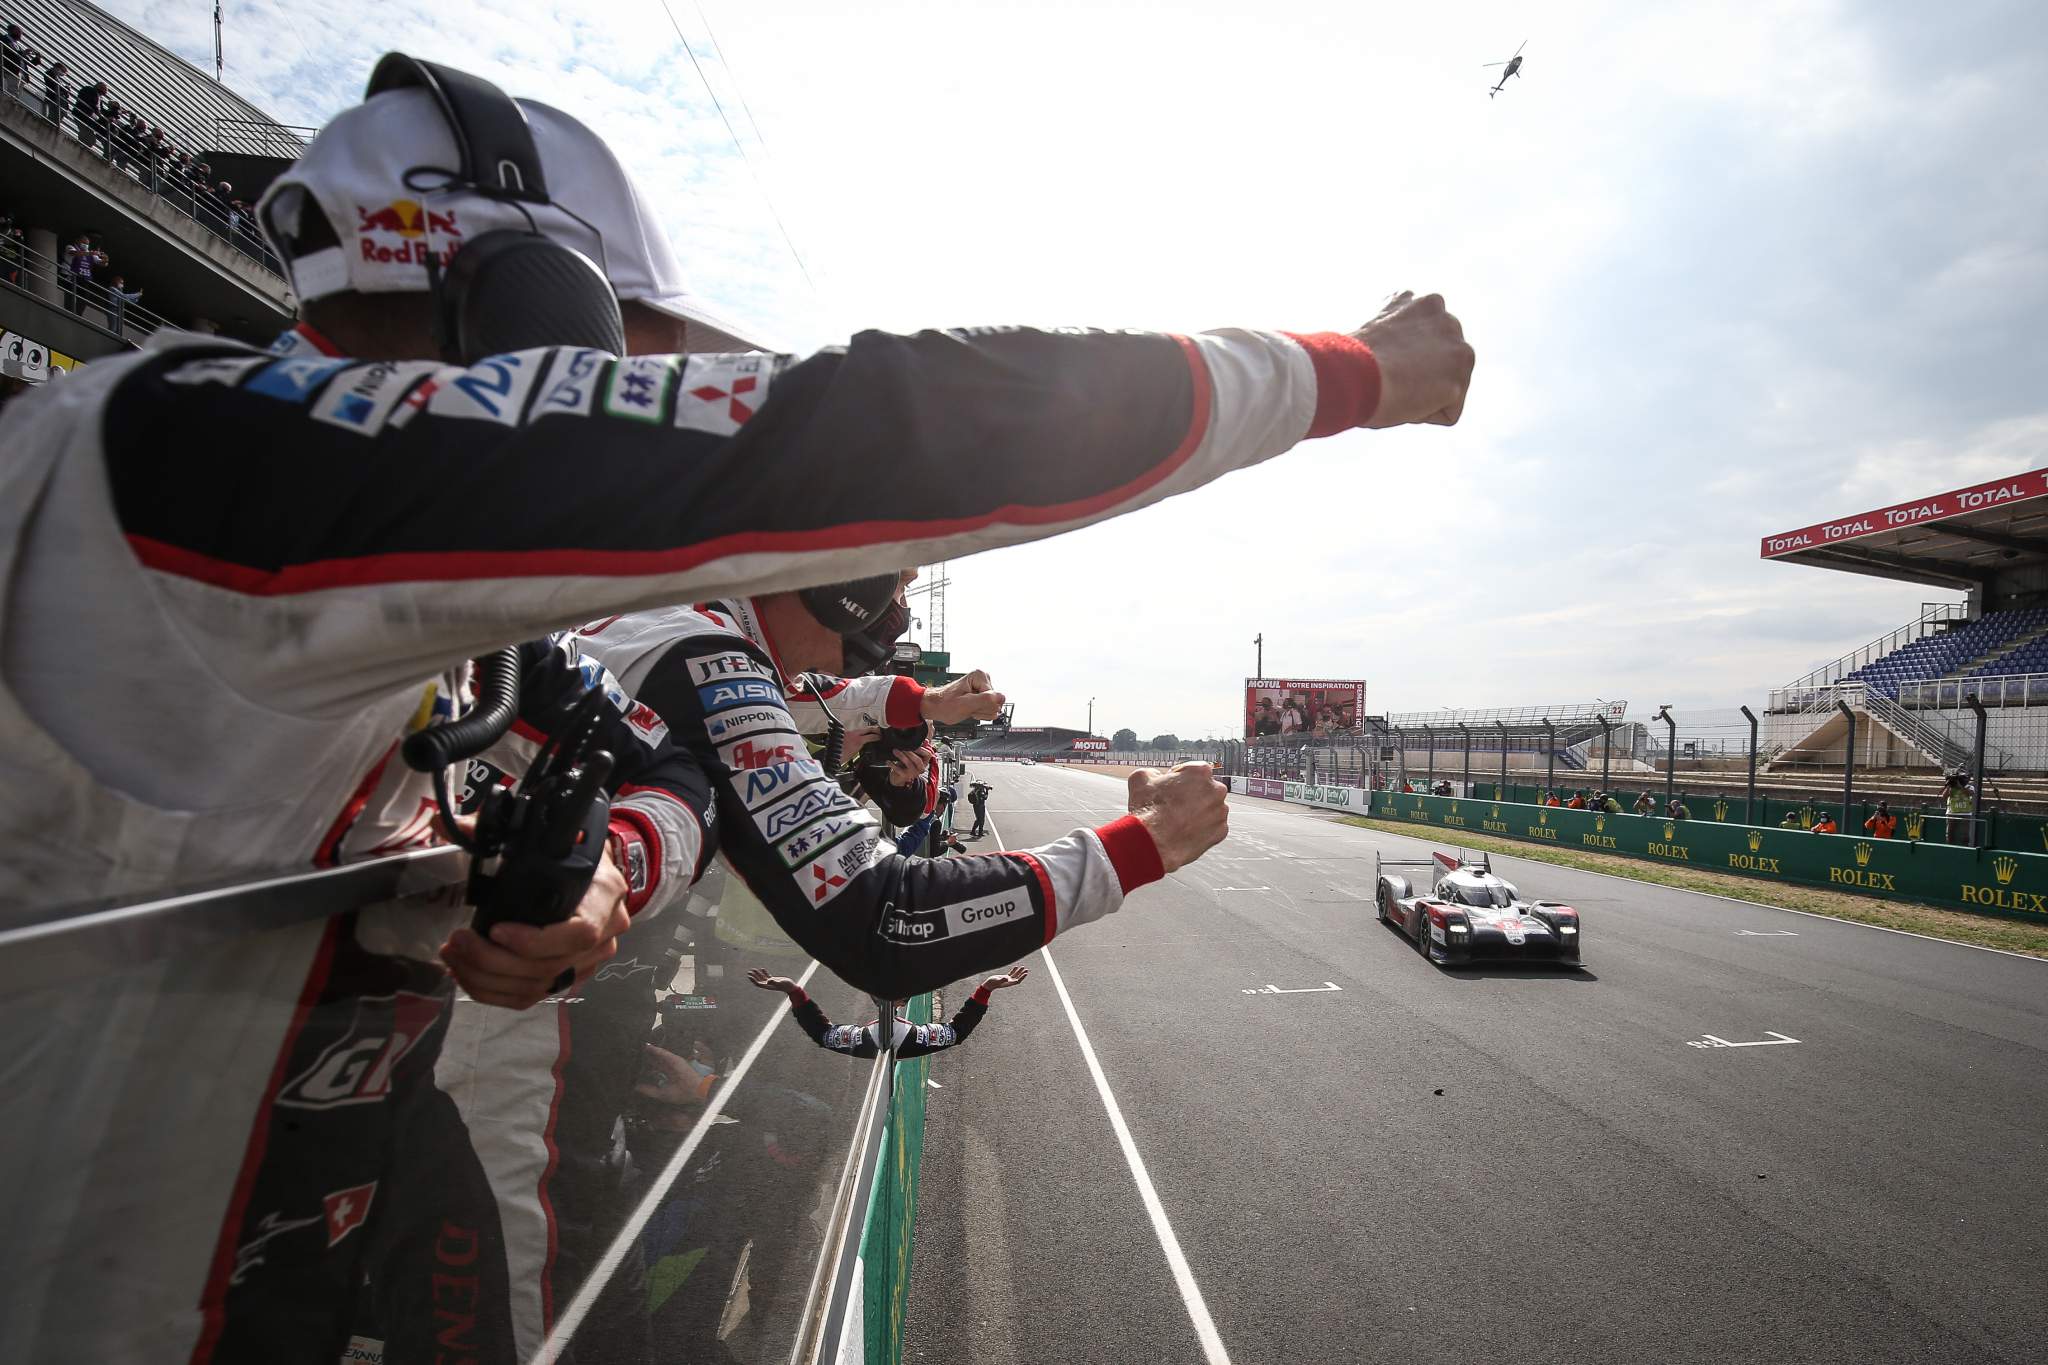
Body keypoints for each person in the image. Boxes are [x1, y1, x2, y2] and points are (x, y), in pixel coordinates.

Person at [0, 53, 1474, 1364]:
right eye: (647, 353)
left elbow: (653, 765)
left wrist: (601, 883)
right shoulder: (185, 453)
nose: (663, 390)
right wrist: (1347, 376)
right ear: (532, 296)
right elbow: (879, 426)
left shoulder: (384, 593)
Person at [747, 963, 1026, 1059]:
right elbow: (956, 1032)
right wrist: (985, 989)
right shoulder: (909, 1036)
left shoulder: (870, 1038)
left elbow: (824, 1034)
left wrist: (794, 991)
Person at [1944, 771, 1975, 845]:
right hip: (1952, 813)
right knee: (1950, 834)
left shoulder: (1970, 787)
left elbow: (1970, 793)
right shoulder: (1951, 788)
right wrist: (1949, 785)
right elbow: (1944, 796)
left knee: (1965, 835)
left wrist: (1960, 786)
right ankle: (1949, 848)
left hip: (1966, 813)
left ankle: (1965, 849)